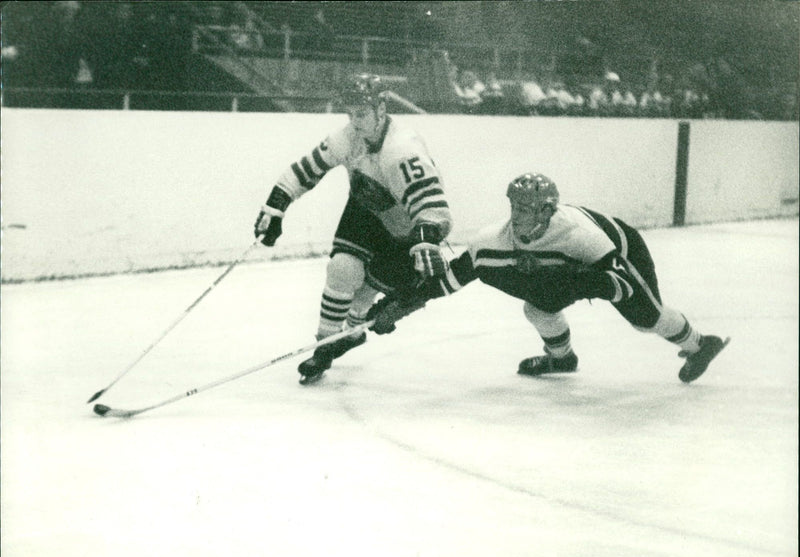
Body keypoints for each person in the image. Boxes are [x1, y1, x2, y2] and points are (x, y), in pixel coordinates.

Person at [367, 173, 730, 384]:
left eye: (525, 208)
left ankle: (702, 343)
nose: (517, 215)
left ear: (547, 211)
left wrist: (582, 282)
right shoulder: (490, 242)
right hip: (565, 266)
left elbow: (621, 284)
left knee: (646, 319)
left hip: (619, 246)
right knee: (538, 308)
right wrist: (402, 306)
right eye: (514, 206)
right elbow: (449, 280)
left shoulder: (578, 236)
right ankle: (562, 358)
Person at [254, 73, 453, 384]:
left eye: (361, 114)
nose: (354, 122)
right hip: (365, 209)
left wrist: (427, 239)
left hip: (405, 228)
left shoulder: (403, 149)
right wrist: (275, 206)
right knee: (342, 268)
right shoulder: (347, 137)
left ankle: (353, 327)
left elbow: (433, 207)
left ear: (381, 111)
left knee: (369, 288)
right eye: (350, 114)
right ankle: (326, 343)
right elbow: (305, 169)